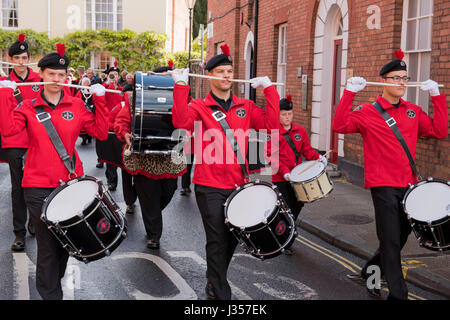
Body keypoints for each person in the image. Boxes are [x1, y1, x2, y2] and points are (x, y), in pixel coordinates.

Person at [332, 49, 448, 300]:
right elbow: (339, 125)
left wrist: (437, 97)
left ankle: (370, 273)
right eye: (396, 78)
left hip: (409, 185)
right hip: (383, 185)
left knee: (400, 236)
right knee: (391, 242)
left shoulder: (412, 111)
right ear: (383, 81)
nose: (401, 83)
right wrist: (349, 92)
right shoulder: (367, 112)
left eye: (405, 78)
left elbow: (439, 131)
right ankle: (399, 294)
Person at [171, 43, 280, 300]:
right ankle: (221, 294)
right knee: (217, 239)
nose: (226, 75)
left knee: (232, 238)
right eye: (220, 71)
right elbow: (179, 122)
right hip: (209, 186)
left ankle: (213, 279)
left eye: (229, 71)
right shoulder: (199, 106)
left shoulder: (245, 106)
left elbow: (272, 124)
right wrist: (180, 87)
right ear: (209, 75)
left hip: (238, 186)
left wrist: (270, 89)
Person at [0, 43, 108, 300]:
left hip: (70, 186)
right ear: (42, 76)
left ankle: (51, 288)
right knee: (48, 246)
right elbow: (8, 131)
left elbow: (101, 132)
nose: (57, 80)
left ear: (67, 77)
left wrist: (102, 99)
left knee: (65, 246)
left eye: (62, 75)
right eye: (51, 74)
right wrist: (5, 96)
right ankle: (51, 295)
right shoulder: (28, 106)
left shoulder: (77, 105)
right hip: (37, 186)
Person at [114, 66, 185, 249]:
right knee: (149, 197)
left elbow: (187, 120)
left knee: (168, 192)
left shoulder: (181, 97)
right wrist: (124, 133)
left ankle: (151, 214)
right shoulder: (134, 99)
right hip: (144, 157)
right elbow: (121, 121)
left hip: (170, 156)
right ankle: (154, 235)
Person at [0, 33, 42, 251]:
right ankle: (19, 234)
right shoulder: (3, 83)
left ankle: (34, 220)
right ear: (11, 60)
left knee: (38, 185)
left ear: (28, 59)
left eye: (24, 58)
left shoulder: (40, 80)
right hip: (15, 140)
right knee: (18, 188)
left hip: (39, 139)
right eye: (16, 58)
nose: (21, 62)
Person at [272, 94, 327, 255]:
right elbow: (272, 157)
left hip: (298, 179)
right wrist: (285, 173)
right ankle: (285, 241)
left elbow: (306, 150)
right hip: (281, 178)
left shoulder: (300, 131)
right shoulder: (272, 133)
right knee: (285, 210)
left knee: (297, 207)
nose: (287, 117)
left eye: (289, 114)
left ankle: (287, 234)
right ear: (278, 115)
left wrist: (318, 158)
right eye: (283, 114)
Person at [96, 60, 124, 190]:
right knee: (109, 156)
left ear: (119, 76)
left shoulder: (122, 90)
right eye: (111, 74)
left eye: (115, 75)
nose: (113, 77)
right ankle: (112, 181)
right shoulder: (104, 88)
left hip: (119, 126)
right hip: (107, 125)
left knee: (120, 156)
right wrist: (107, 84)